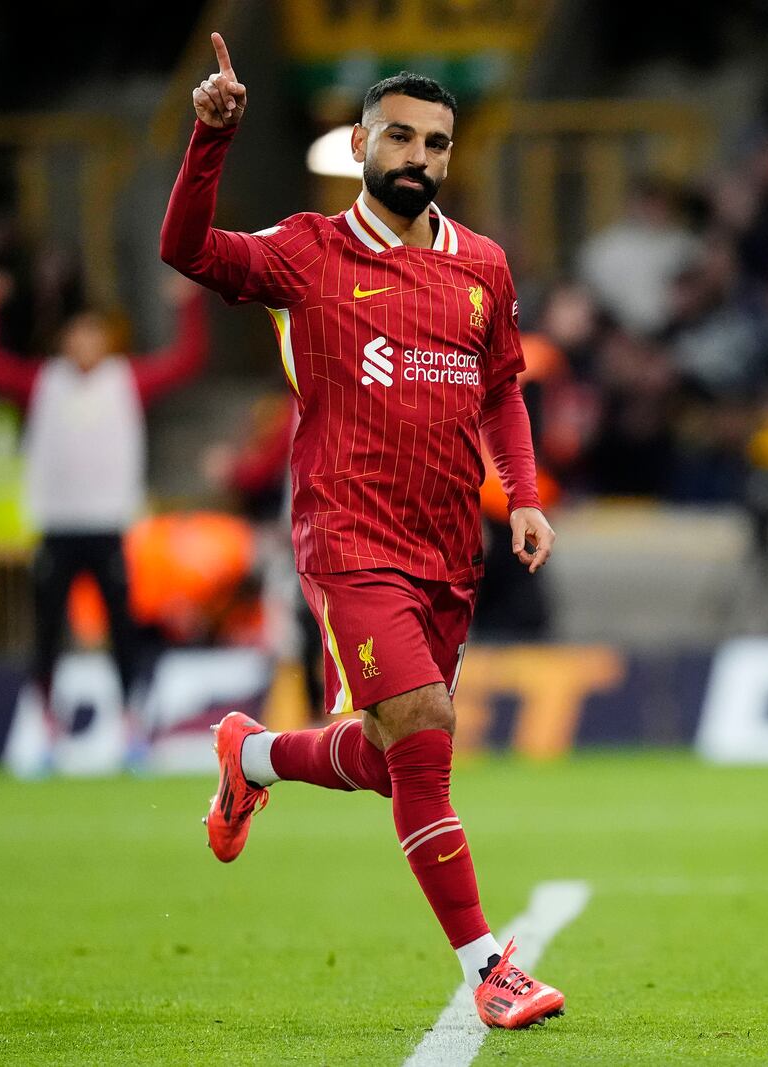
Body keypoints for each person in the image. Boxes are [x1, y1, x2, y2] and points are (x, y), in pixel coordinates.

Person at [159, 35, 563, 1030]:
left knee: (393, 757)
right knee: (424, 731)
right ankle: (488, 966)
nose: (418, 155)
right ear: (359, 142)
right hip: (348, 537)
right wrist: (209, 141)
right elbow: (188, 250)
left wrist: (522, 492)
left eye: (436, 141)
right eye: (399, 136)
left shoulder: (483, 268)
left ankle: (249, 758)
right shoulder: (308, 251)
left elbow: (502, 388)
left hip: (445, 548)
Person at [0, 268, 208, 719]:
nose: (84, 344)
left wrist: (187, 306)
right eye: (77, 335)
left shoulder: (124, 380)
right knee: (46, 629)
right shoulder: (44, 382)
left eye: (93, 334)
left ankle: (131, 714)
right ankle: (44, 714)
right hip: (57, 526)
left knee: (121, 627)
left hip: (107, 525)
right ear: (63, 340)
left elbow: (186, 361)